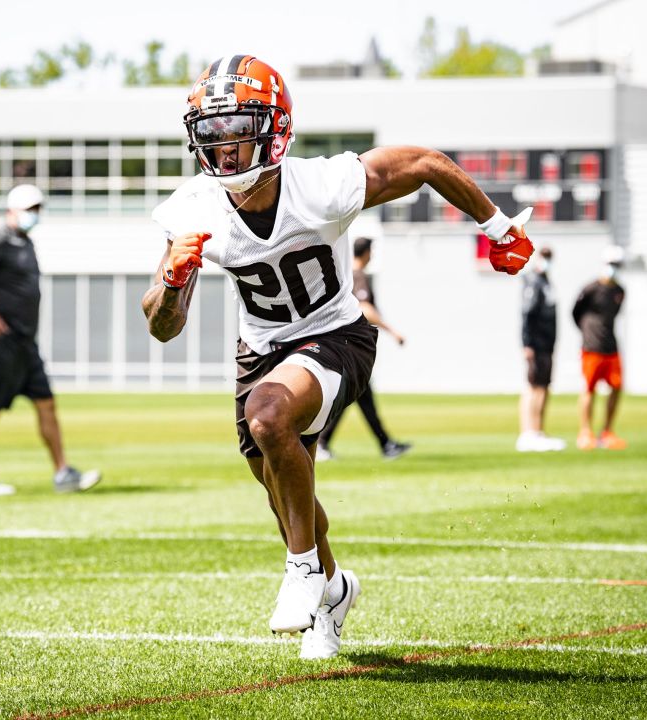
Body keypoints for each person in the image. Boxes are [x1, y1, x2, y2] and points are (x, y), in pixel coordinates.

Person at [142, 55, 535, 660]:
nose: (222, 151)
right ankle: (331, 593)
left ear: (273, 131)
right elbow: (163, 327)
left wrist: (499, 226)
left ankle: (300, 569)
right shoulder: (193, 209)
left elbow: (425, 163)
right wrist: (172, 280)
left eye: (236, 132)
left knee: (270, 417)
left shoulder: (321, 185)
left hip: (337, 335)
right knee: (280, 484)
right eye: (211, 134)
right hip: (262, 350)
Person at [0, 184, 101, 497]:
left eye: (37, 209)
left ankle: (63, 472)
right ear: (12, 211)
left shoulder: (25, 242)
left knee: (46, 403)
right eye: (28, 209)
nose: (34, 215)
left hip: (25, 342)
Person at [314, 237, 411, 462]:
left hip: (350, 348)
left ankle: (386, 444)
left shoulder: (347, 273)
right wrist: (392, 330)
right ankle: (320, 443)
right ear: (366, 253)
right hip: (352, 348)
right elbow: (365, 307)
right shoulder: (357, 276)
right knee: (348, 396)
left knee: (360, 397)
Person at [573, 245, 627, 450]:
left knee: (616, 387)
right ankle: (585, 432)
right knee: (589, 388)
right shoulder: (590, 289)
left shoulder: (620, 291)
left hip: (611, 346)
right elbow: (576, 313)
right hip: (591, 347)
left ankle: (607, 431)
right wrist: (588, 333)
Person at [517, 247, 567, 452]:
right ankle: (528, 432)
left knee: (544, 387)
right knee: (534, 387)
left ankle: (538, 431)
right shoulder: (533, 282)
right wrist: (527, 343)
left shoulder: (547, 282)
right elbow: (527, 313)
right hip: (536, 344)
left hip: (547, 344)